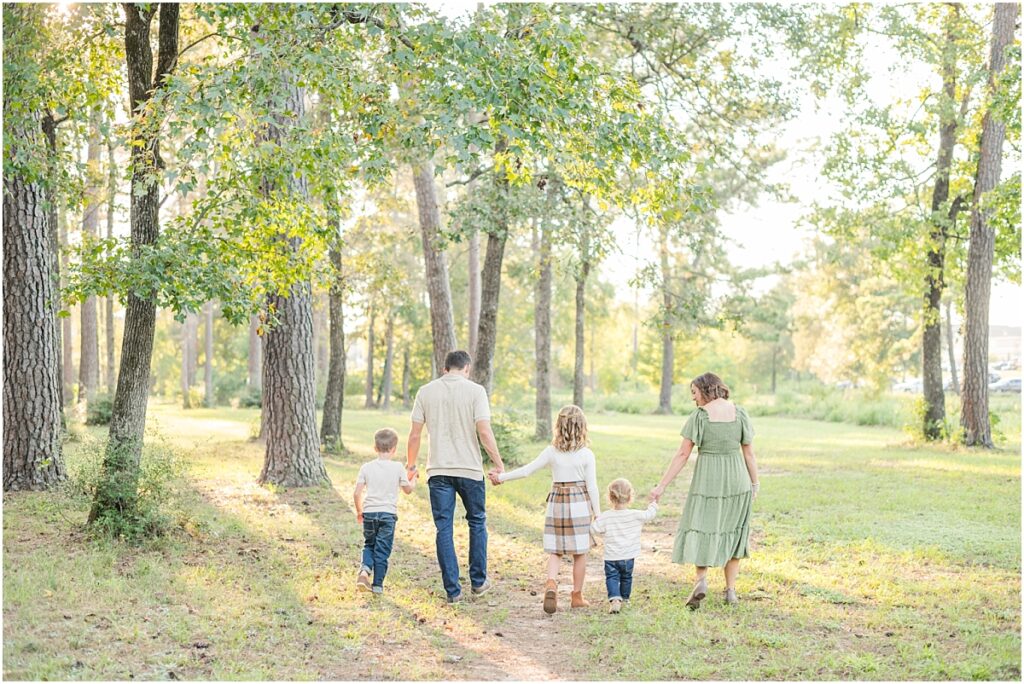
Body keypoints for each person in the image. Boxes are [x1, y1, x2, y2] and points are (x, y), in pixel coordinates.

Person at [651, 372, 760, 609]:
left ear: (706, 390)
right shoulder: (740, 413)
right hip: (737, 479)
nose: (693, 398)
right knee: (734, 531)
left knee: (702, 527)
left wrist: (662, 485)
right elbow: (748, 453)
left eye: (694, 392)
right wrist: (754, 483)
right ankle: (730, 590)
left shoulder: (700, 416)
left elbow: (682, 454)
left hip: (708, 481)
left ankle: (701, 581)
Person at [407, 350, 505, 604]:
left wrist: (410, 465)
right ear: (467, 369)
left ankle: (453, 591)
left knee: (444, 529)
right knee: (477, 522)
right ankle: (479, 582)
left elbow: (415, 434)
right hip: (470, 470)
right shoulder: (475, 391)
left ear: (445, 369)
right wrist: (498, 463)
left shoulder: (426, 391)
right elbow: (484, 431)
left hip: (438, 470)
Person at [490, 405, 600, 614]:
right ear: (582, 427)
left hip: (557, 500)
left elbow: (526, 471)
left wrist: (501, 477)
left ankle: (551, 584)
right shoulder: (587, 454)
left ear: (558, 426)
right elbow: (592, 486)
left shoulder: (551, 452)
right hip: (579, 503)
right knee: (580, 552)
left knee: (556, 550)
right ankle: (577, 596)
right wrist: (599, 513)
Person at [353, 428, 416, 595]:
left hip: (369, 514)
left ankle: (364, 571)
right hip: (388, 515)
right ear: (394, 449)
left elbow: (357, 493)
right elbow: (408, 490)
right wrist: (413, 479)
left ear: (375, 448)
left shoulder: (366, 467)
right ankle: (377, 586)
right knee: (382, 550)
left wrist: (360, 511)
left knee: (369, 545)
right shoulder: (397, 468)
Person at [590, 478, 658, 614]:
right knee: (626, 577)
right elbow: (650, 515)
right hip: (628, 556)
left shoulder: (606, 516)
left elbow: (593, 529)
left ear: (610, 497)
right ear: (630, 496)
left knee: (612, 577)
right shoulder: (635, 515)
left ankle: (615, 600)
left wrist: (594, 519)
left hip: (611, 556)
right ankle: (625, 598)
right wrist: (653, 504)